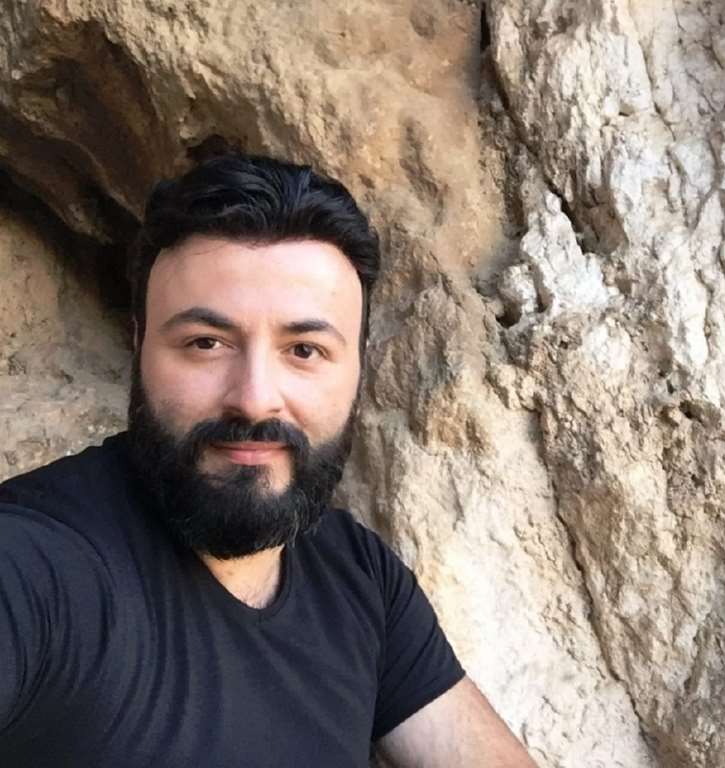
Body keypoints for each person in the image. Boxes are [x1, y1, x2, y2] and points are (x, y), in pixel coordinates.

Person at [0, 154, 537, 767]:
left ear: (359, 369)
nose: (254, 398)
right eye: (206, 343)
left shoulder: (357, 576)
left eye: (304, 349)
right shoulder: (33, 566)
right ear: (139, 345)